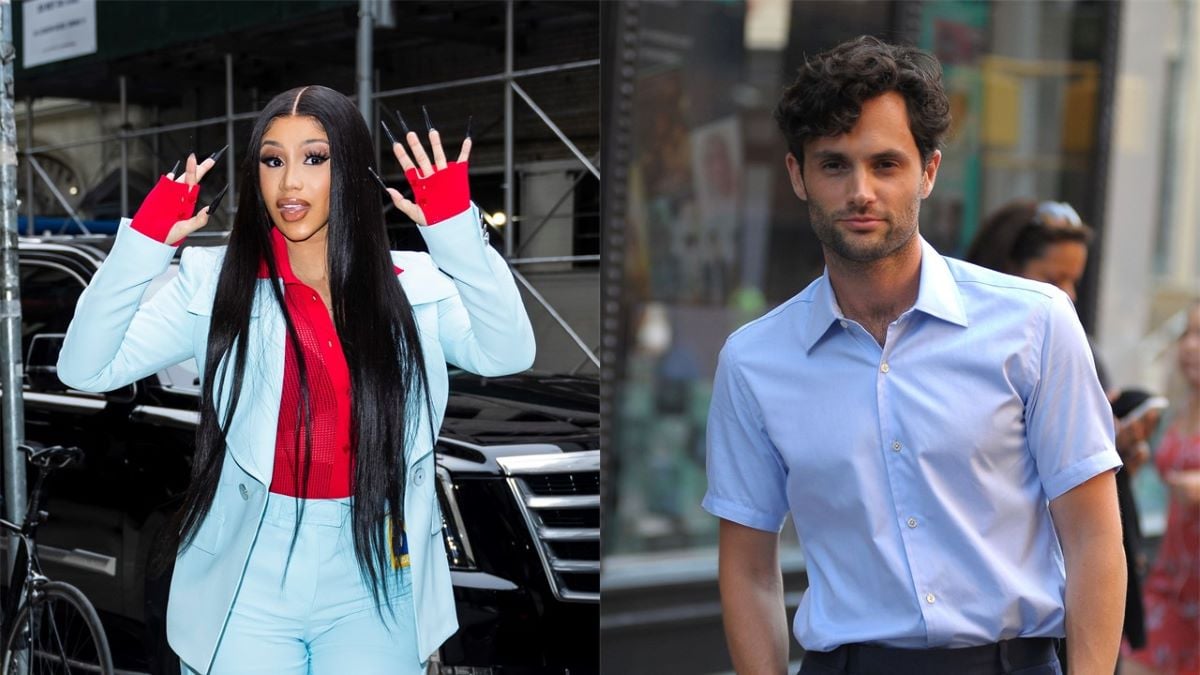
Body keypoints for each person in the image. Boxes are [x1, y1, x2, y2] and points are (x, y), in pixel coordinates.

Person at [56, 85, 535, 674]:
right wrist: (145, 243)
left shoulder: (412, 284)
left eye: (314, 158)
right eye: (272, 160)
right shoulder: (214, 283)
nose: (290, 183)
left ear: (353, 170)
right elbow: (84, 368)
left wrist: (456, 231)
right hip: (247, 574)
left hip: (377, 573)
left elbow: (507, 351)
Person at [703, 36, 1125, 675]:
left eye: (886, 164)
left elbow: (1094, 536)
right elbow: (747, 566)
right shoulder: (754, 361)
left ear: (928, 171)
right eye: (835, 165)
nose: (861, 191)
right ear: (798, 175)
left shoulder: (1035, 322)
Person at [967, 199, 1158, 662]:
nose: (1067, 293)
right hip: (1003, 599)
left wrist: (1116, 453)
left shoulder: (1072, 339)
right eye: (1053, 278)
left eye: (1075, 280)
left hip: (1076, 585)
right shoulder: (967, 352)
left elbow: (1092, 515)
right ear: (1006, 266)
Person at [1124, 301, 1200, 675]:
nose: (1189, 345)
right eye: (1187, 333)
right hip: (1170, 581)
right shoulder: (1181, 405)